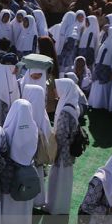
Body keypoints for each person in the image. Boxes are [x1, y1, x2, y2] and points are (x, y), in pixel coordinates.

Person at [0, 99, 38, 224]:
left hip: (9, 176)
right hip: (27, 175)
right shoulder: (33, 129)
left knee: (9, 206)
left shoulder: (7, 130)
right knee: (24, 206)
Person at [47, 78, 80, 214]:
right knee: (64, 180)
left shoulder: (65, 110)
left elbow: (61, 134)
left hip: (62, 151)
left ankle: (55, 207)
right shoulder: (72, 104)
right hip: (68, 152)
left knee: (58, 180)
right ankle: (60, 207)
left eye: (58, 88)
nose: (55, 90)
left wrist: (53, 148)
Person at [22, 84, 53, 208]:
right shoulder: (41, 111)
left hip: (26, 155)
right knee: (38, 174)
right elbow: (48, 131)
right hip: (39, 154)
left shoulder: (25, 110)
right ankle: (38, 200)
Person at [88, 27, 112, 110]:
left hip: (106, 69)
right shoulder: (106, 42)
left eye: (108, 32)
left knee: (103, 87)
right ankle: (94, 103)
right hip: (99, 66)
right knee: (96, 86)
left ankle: (101, 105)